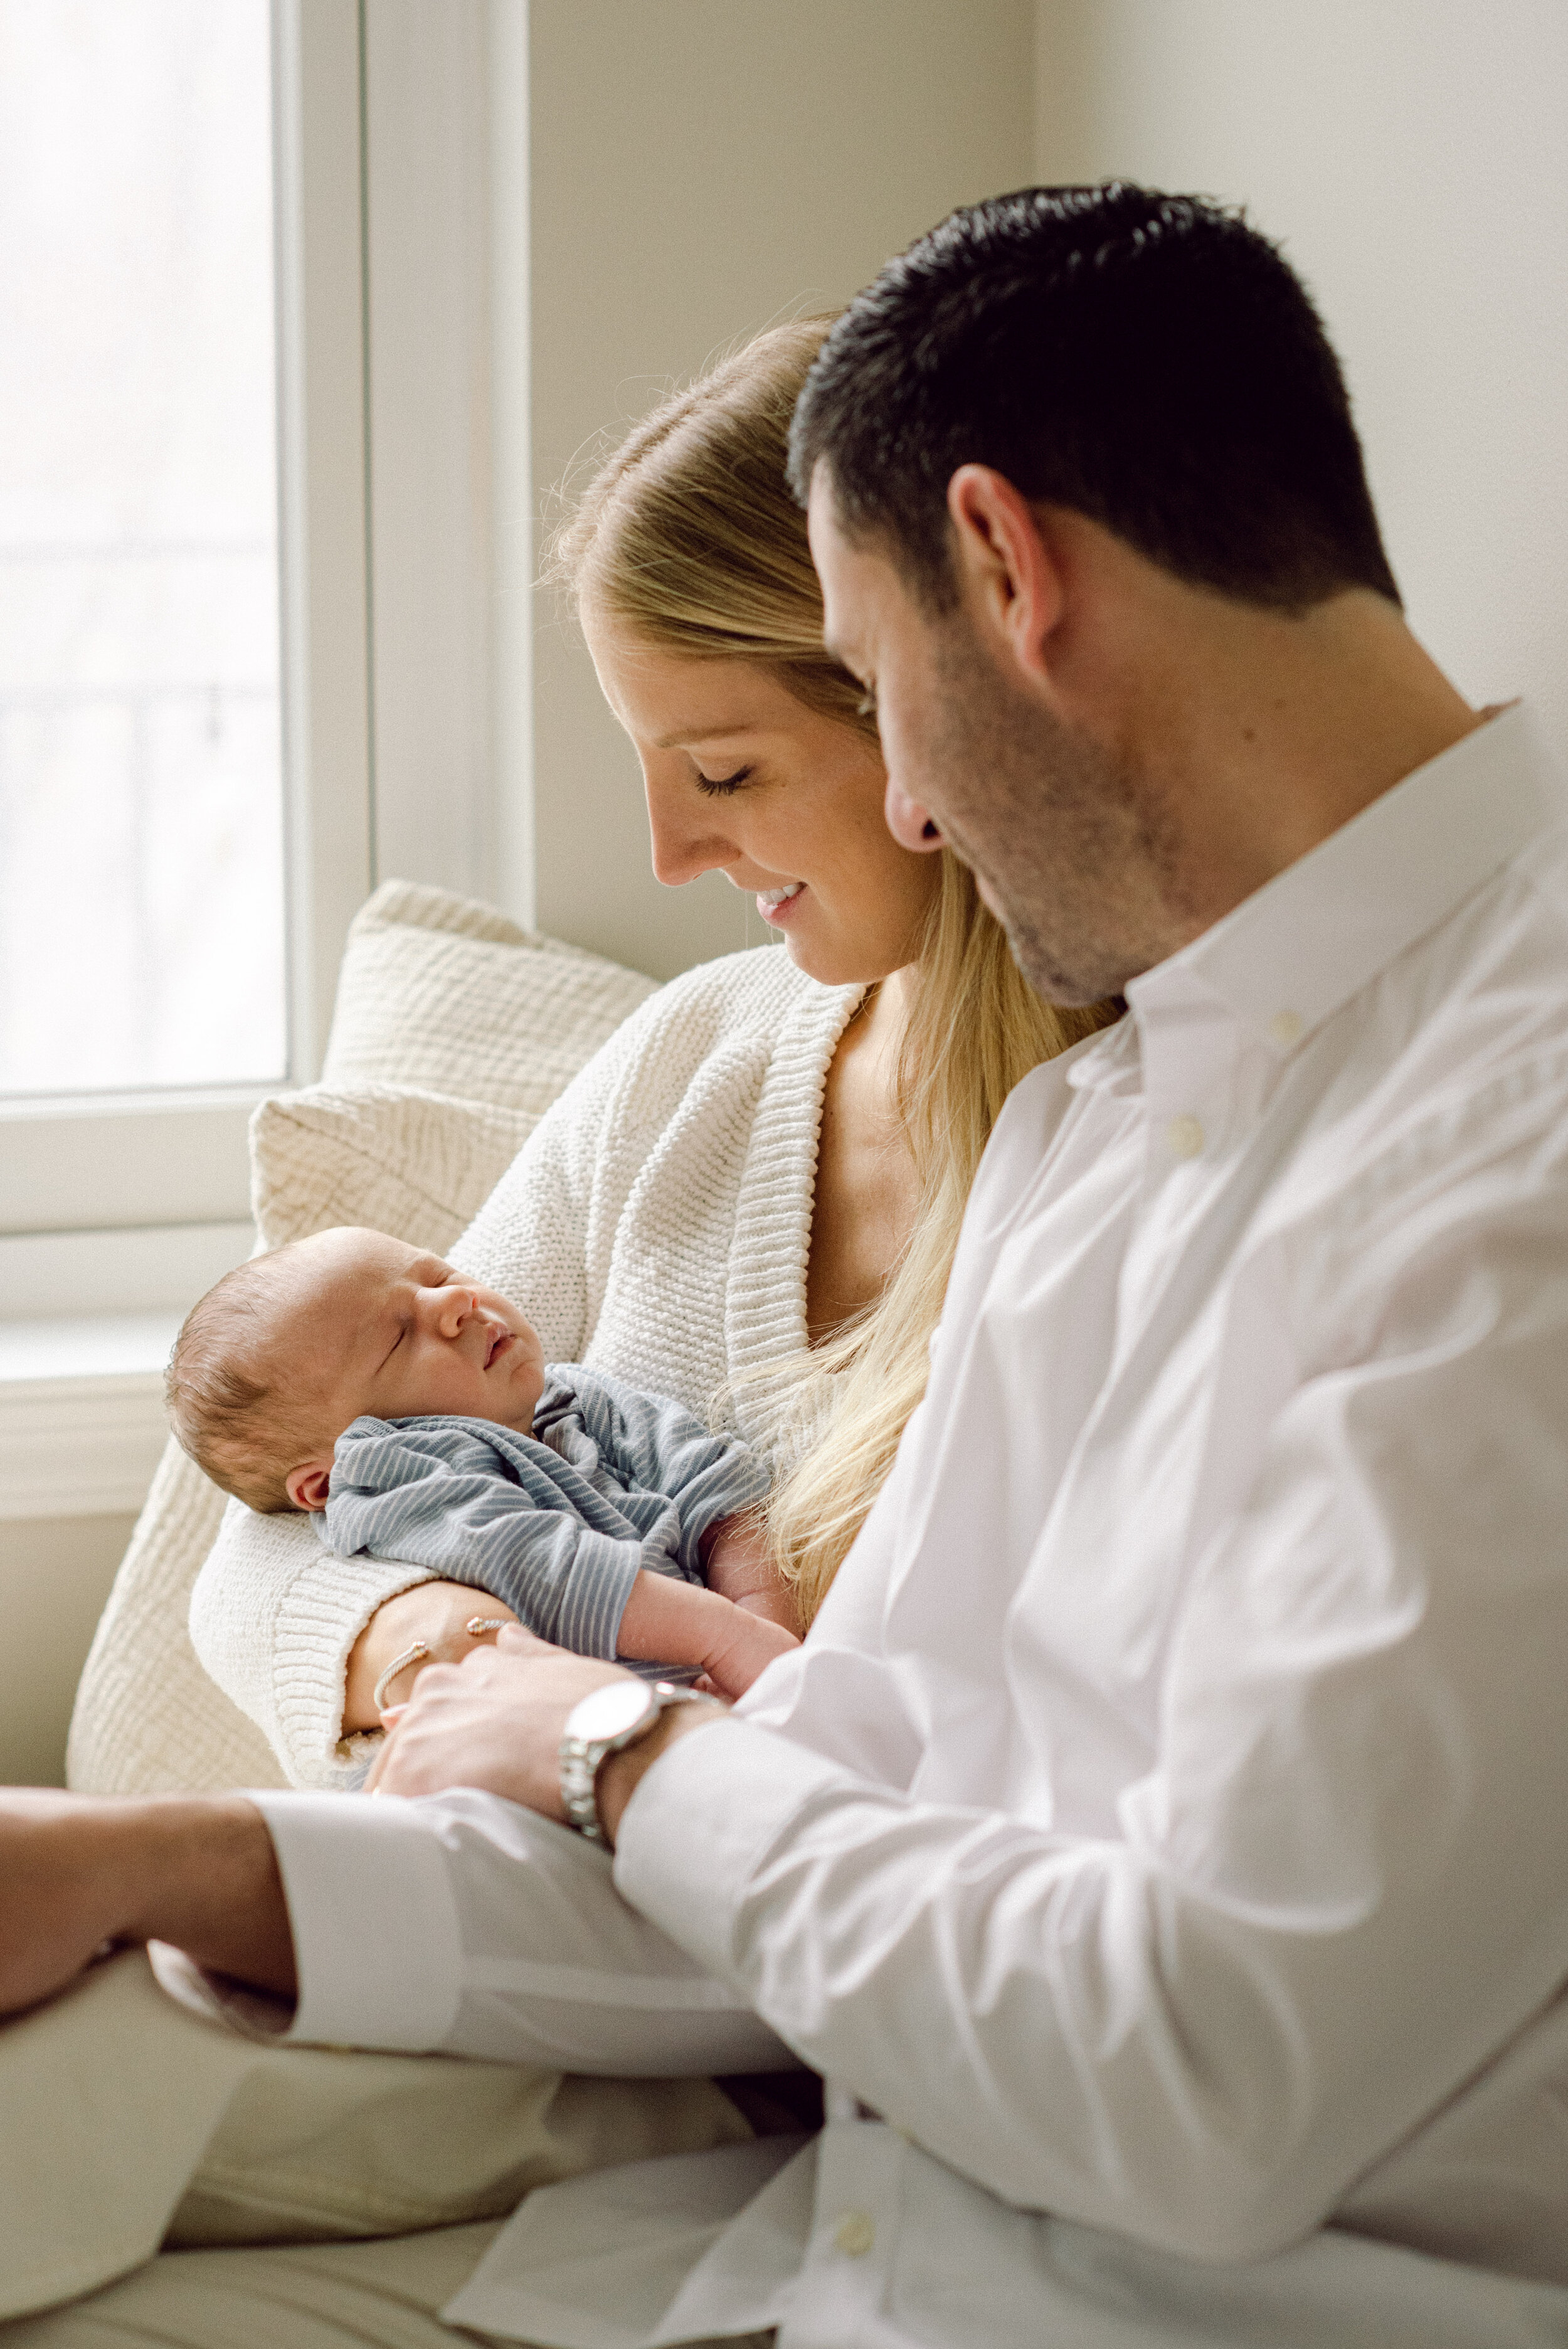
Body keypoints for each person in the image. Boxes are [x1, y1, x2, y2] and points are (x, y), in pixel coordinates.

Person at [8, 180, 1568, 2348]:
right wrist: (161, 1862)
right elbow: (831, 1802)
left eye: (855, 681)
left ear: (1006, 572)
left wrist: (617, 1753)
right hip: (816, 2255)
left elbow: (1202, 2076)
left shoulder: (1514, 1158)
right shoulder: (1103, 1134)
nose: (906, 806)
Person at [182, 314, 1103, 1788]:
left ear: (927, 700)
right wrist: (444, 1647)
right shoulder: (696, 1061)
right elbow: (261, 1547)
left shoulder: (1146, 1149)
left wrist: (600, 1740)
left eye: (725, 771)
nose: (672, 855)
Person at [169, 1224, 795, 1712]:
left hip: (701, 1703)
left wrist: (765, 1629)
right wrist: (721, 1637)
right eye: (398, 1337)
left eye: (438, 1274)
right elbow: (538, 1562)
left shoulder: (579, 1398)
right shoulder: (393, 1471)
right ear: (328, 1477)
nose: (456, 1303)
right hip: (546, 1744)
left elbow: (715, 1491)